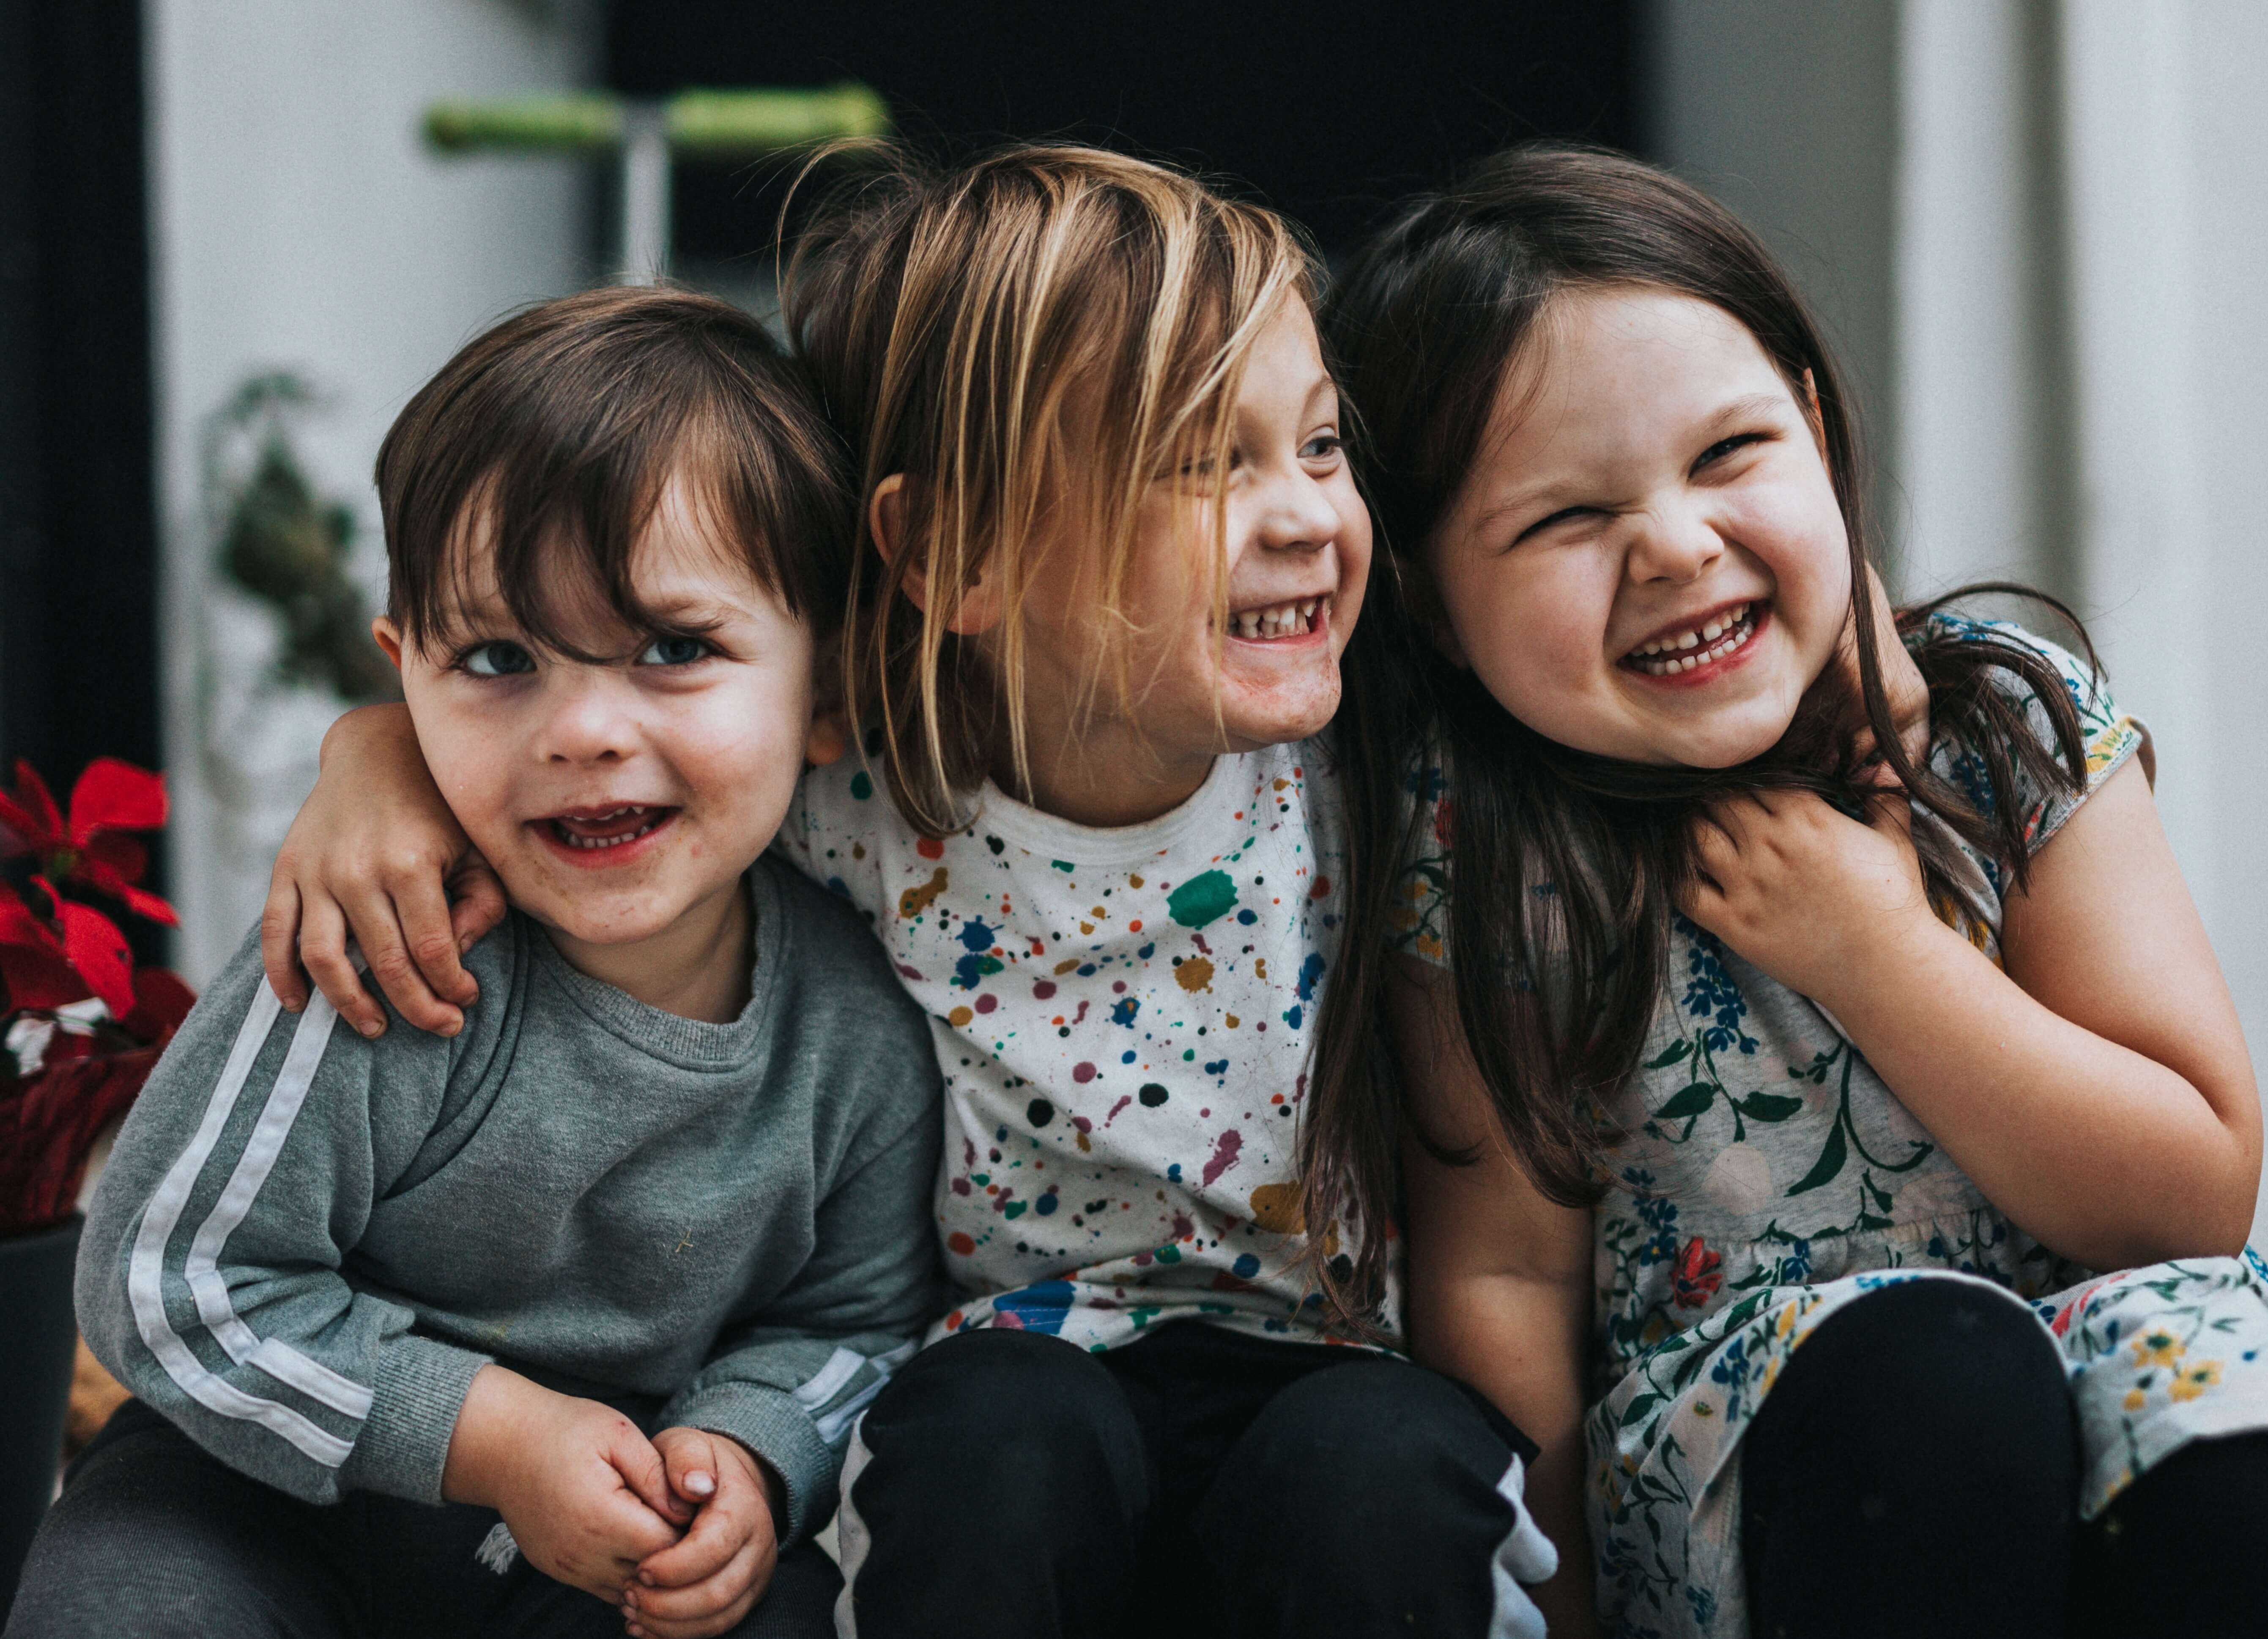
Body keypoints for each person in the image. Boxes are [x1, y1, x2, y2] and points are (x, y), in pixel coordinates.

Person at [248, 145, 1559, 1639]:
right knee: (991, 1441)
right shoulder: (867, 794)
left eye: (1319, 447)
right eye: (1205, 460)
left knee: (1381, 1473)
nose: (1305, 514)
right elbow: (609, 758)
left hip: (1336, 1374)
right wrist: (378, 758)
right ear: (949, 551)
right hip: (1009, 1376)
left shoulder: (1385, 774)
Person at [1310, 143, 2268, 1639]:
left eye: (1728, 455)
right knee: (1936, 1376)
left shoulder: (2009, 731)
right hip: (1751, 1455)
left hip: (2098, 1357)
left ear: (1818, 434)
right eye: (1566, 520)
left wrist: (1882, 953)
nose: (1678, 547)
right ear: (1433, 602)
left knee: (2230, 1398)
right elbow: (1502, 1280)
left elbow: (2191, 1199)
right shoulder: (1486, 859)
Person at [6, 285, 944, 1639]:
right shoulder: (382, 951)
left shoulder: (854, 1035)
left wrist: (747, 1451)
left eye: (675, 649)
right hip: (265, 1497)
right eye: (498, 658)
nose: (581, 729)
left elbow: (857, 1323)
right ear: (404, 678)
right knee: (124, 1604)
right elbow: (167, 1278)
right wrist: (494, 1438)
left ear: (833, 692)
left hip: (613, 1529)